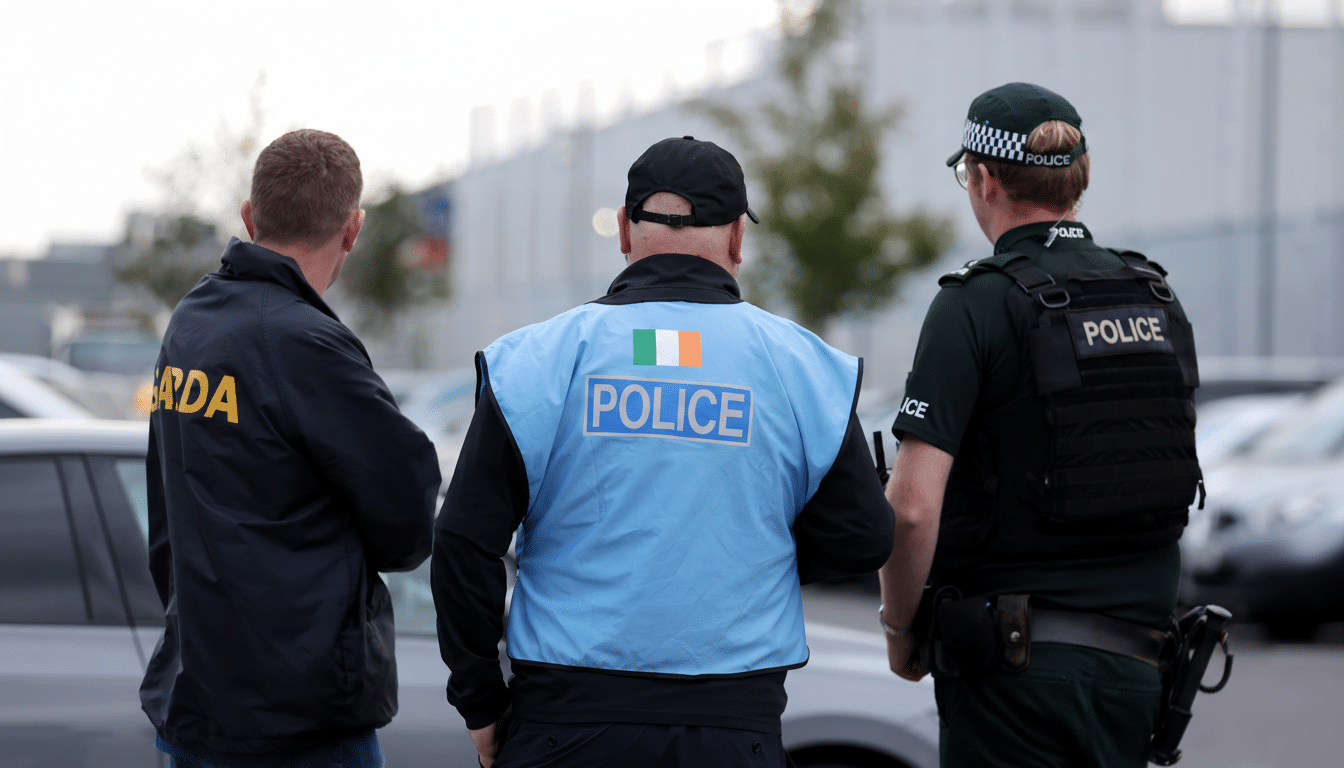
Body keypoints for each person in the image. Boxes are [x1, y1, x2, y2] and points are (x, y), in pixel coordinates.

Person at [432, 135, 896, 768]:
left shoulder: (539, 360)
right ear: (737, 237)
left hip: (565, 724)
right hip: (733, 728)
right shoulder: (802, 367)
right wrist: (751, 553)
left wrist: (480, 701)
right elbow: (864, 538)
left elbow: (463, 542)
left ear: (625, 230)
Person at [876, 83, 1201, 768]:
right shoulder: (1154, 295)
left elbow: (911, 508)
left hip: (1013, 677)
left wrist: (901, 629)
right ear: (1078, 181)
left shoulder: (978, 302)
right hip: (1139, 673)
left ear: (986, 179)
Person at [139, 129, 441, 767]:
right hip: (296, 722)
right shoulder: (305, 343)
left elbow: (169, 506)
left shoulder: (193, 321)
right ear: (352, 229)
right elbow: (408, 521)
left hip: (195, 698)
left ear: (249, 217)